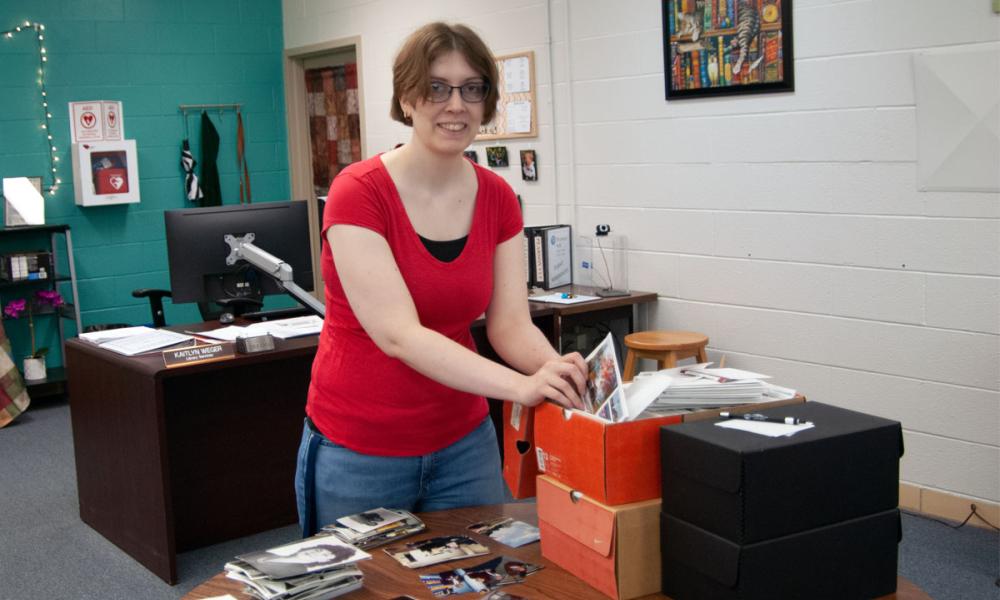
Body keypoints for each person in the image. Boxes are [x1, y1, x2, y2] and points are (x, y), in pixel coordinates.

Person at [295, 22, 588, 536]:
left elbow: (510, 326)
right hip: (361, 449)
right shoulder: (357, 193)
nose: (456, 105)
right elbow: (399, 335)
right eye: (437, 88)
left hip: (464, 444)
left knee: (478, 580)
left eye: (472, 89)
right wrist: (523, 388)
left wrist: (559, 373)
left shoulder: (497, 197)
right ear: (407, 98)